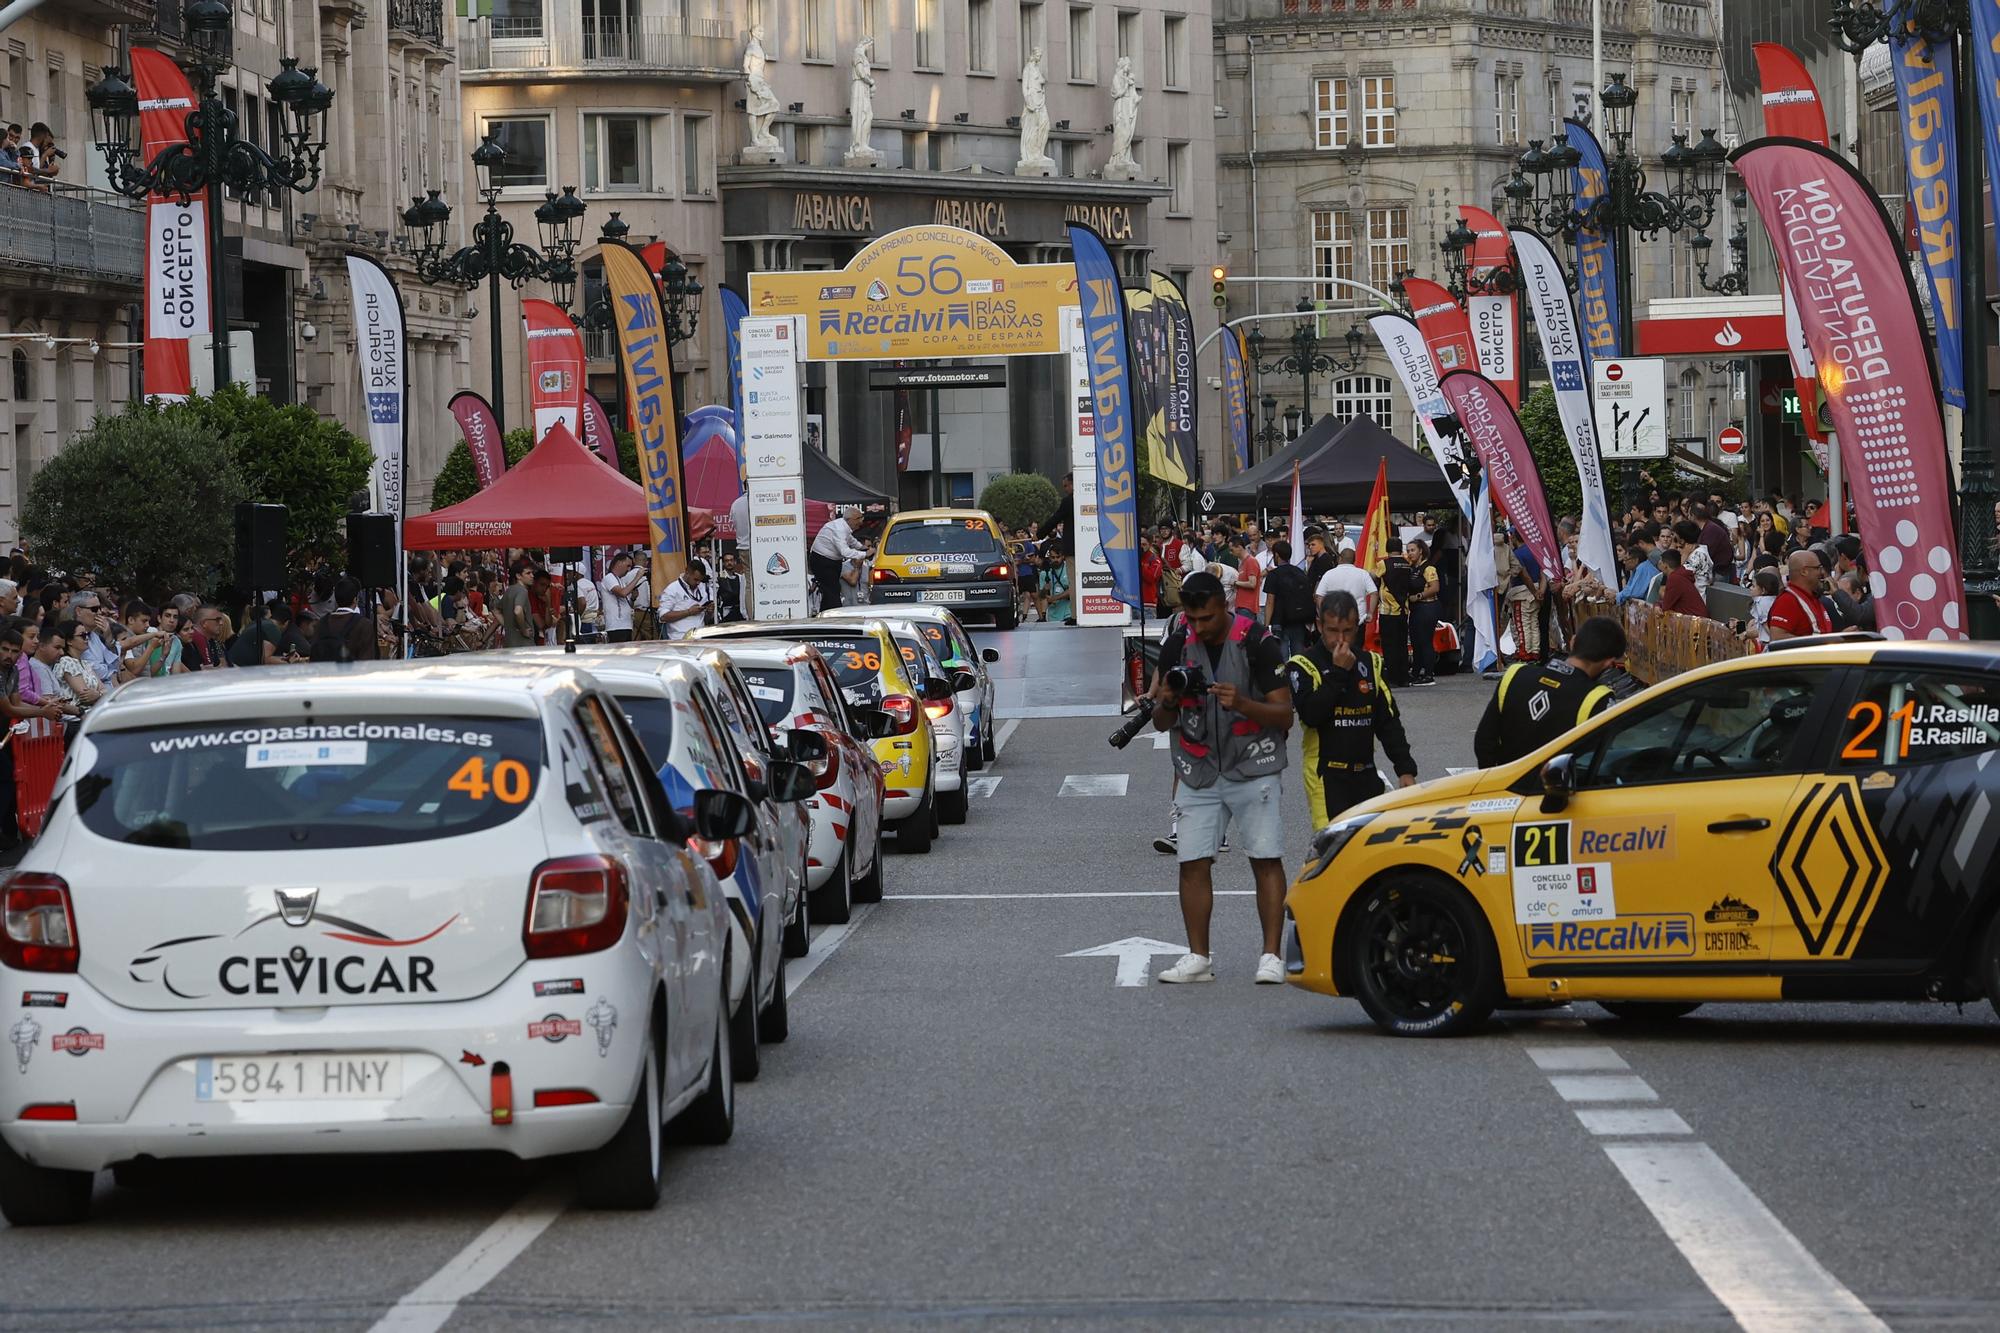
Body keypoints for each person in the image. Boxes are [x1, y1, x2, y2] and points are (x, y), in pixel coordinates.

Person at [1148, 573, 1293, 985]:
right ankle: (1198, 957)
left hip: (1254, 765)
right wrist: (1170, 701)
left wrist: (1243, 702)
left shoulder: (1258, 642)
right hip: (1198, 769)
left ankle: (1271, 956)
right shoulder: (1177, 644)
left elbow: (1285, 715)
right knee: (1191, 861)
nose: (1200, 627)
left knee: (1265, 857)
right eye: (1192, 618)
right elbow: (1160, 722)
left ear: (1223, 607)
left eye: (1207, 618)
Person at [1289, 590, 1417, 830]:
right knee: (1333, 852)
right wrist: (1338, 673)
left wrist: (1405, 769)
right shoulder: (1302, 665)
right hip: (1326, 777)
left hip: (1366, 774)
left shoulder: (1371, 663)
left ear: (1357, 627)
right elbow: (1311, 715)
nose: (1340, 640)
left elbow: (1388, 722)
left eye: (1347, 631)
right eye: (1332, 631)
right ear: (1319, 625)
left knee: (1371, 853)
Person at [1472, 614, 1626, 767]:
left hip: (1503, 785)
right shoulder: (1598, 699)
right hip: (1556, 788)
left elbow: (1483, 741)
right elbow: (1598, 762)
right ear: (1608, 663)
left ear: (1573, 642)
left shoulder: (1515, 675)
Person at [1261, 539, 1315, 660]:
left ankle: (1284, 677)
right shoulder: (1300, 573)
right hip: (1299, 619)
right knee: (1299, 655)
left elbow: (1270, 601)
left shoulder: (1274, 575)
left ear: (1277, 555)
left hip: (1280, 621)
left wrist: (1266, 625)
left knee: (1281, 656)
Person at [810, 505, 870, 612]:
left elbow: (851, 540)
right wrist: (864, 554)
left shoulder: (844, 527)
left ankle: (825, 614)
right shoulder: (839, 529)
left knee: (831, 590)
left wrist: (861, 547)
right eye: (859, 519)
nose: (861, 522)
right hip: (822, 561)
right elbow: (845, 552)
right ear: (850, 519)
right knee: (832, 590)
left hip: (831, 561)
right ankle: (835, 614)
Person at [1765, 548, 1833, 640]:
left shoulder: (1811, 597)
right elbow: (1777, 638)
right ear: (1804, 571)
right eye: (1818, 568)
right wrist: (1819, 642)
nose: (1821, 572)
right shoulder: (1787, 601)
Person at [1376, 535, 1414, 687]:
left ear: (1387, 548)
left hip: (1388, 611)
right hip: (1403, 610)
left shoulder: (1383, 564)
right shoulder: (1407, 564)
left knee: (1389, 645)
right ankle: (1404, 677)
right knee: (1402, 645)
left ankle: (1392, 678)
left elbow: (1374, 576)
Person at [312, 578, 378, 661]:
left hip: (327, 672)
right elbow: (367, 661)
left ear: (335, 599)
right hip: (353, 673)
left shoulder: (322, 623)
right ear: (355, 599)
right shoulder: (364, 625)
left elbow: (314, 657)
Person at [1042, 476, 1077, 625]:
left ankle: (1075, 615)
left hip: (1072, 548)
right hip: (1087, 548)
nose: (1065, 489)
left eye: (1066, 486)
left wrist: (1040, 533)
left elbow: (1056, 518)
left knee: (1073, 582)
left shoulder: (1068, 501)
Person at [1315, 547, 1376, 619]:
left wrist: (1323, 615)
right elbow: (1374, 593)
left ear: (1339, 558)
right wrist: (1370, 613)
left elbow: (1319, 596)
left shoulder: (1329, 574)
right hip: (1358, 618)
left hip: (1334, 618)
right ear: (1354, 560)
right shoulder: (1363, 574)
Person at [657, 557, 713, 635]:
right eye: (695, 579)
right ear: (687, 573)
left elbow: (707, 619)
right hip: (680, 638)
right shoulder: (672, 589)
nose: (698, 583)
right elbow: (663, 617)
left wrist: (709, 612)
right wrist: (688, 612)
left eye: (700, 580)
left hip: (700, 636)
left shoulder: (704, 588)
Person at [600, 551, 643, 642]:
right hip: (616, 626)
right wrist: (637, 577)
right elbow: (622, 593)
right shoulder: (609, 578)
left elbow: (627, 603)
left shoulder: (621, 580)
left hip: (626, 624)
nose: (629, 569)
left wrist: (632, 598)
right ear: (619, 563)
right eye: (628, 566)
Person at [1656, 548, 1707, 617]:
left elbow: (1666, 606)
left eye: (1661, 562)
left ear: (1665, 565)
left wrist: (1657, 605)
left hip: (1696, 621)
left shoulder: (1675, 578)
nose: (1659, 564)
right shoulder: (1680, 574)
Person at [499, 562, 539, 648]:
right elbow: (517, 611)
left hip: (509, 643)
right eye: (528, 573)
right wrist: (523, 630)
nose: (532, 576)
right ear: (518, 576)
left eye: (532, 573)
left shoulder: (509, 590)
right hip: (524, 644)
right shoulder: (522, 591)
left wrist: (507, 625)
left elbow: (495, 609)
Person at [716, 551, 748, 624]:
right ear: (723, 563)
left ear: (735, 562)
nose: (729, 563)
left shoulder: (740, 578)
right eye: (727, 561)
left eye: (731, 560)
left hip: (740, 614)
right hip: (726, 616)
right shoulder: (719, 578)